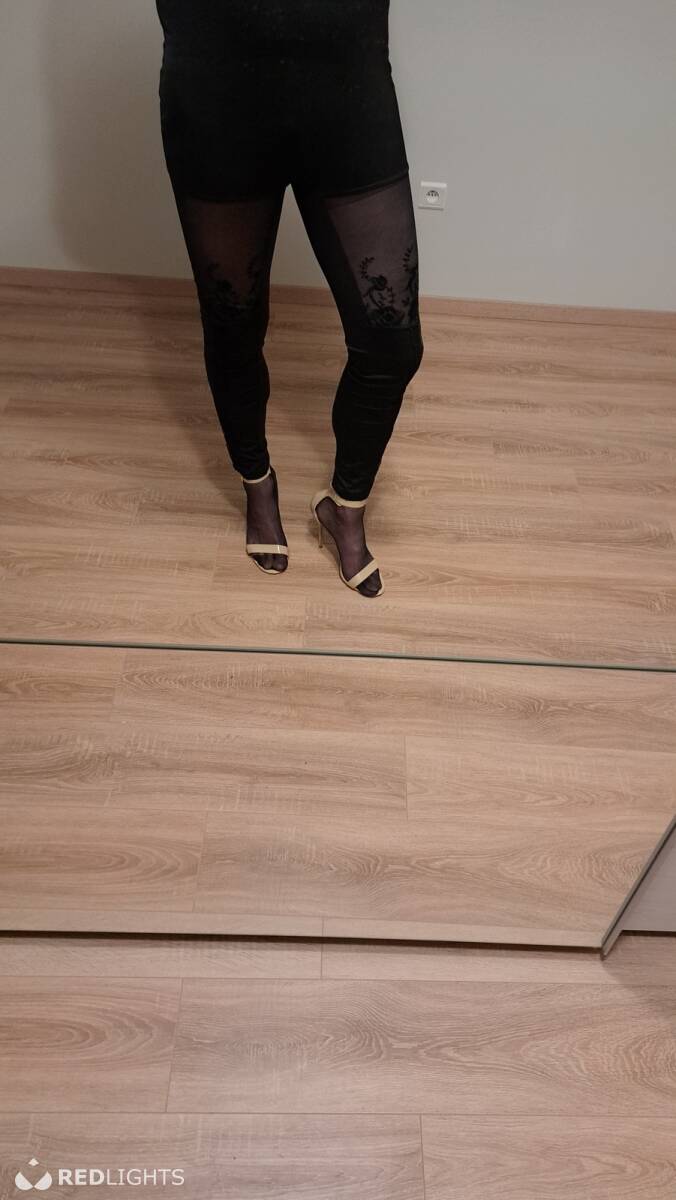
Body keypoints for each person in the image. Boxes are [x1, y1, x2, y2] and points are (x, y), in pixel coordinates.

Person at [155, 0, 424, 597]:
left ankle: (345, 505)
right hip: (216, 88)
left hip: (348, 85)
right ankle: (257, 481)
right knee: (233, 324)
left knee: (393, 342)